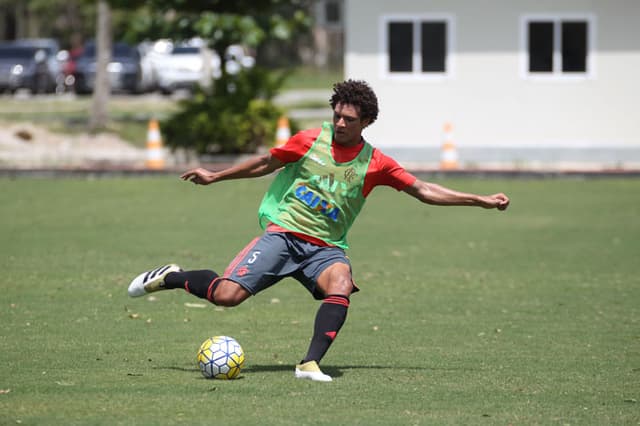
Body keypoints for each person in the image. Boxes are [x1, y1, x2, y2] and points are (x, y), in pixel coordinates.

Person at [128, 79, 510, 382]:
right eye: (337, 115)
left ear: (366, 123)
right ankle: (172, 277)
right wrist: (216, 176)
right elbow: (265, 163)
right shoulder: (310, 140)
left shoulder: (375, 162)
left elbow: (423, 190)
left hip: (325, 248)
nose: (340, 124)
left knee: (341, 282)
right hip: (283, 235)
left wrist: (479, 200)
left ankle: (308, 364)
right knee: (226, 297)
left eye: (350, 119)